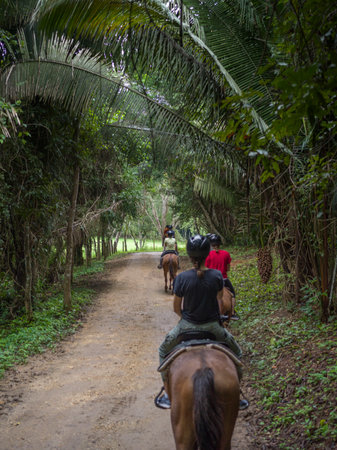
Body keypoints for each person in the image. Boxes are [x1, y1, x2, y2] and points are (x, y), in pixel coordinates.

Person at [155, 234, 249, 410]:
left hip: (186, 326)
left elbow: (176, 308)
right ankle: (238, 393)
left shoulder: (181, 278)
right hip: (213, 327)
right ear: (207, 254)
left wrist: (187, 319)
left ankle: (167, 393)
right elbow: (220, 299)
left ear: (190, 256)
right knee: (237, 352)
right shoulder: (216, 276)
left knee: (162, 350)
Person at [205, 233, 239, 320]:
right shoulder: (226, 254)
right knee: (232, 294)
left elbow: (206, 269)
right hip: (223, 279)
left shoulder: (207, 255)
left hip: (211, 280)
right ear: (220, 244)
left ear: (211, 244)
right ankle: (232, 312)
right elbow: (228, 268)